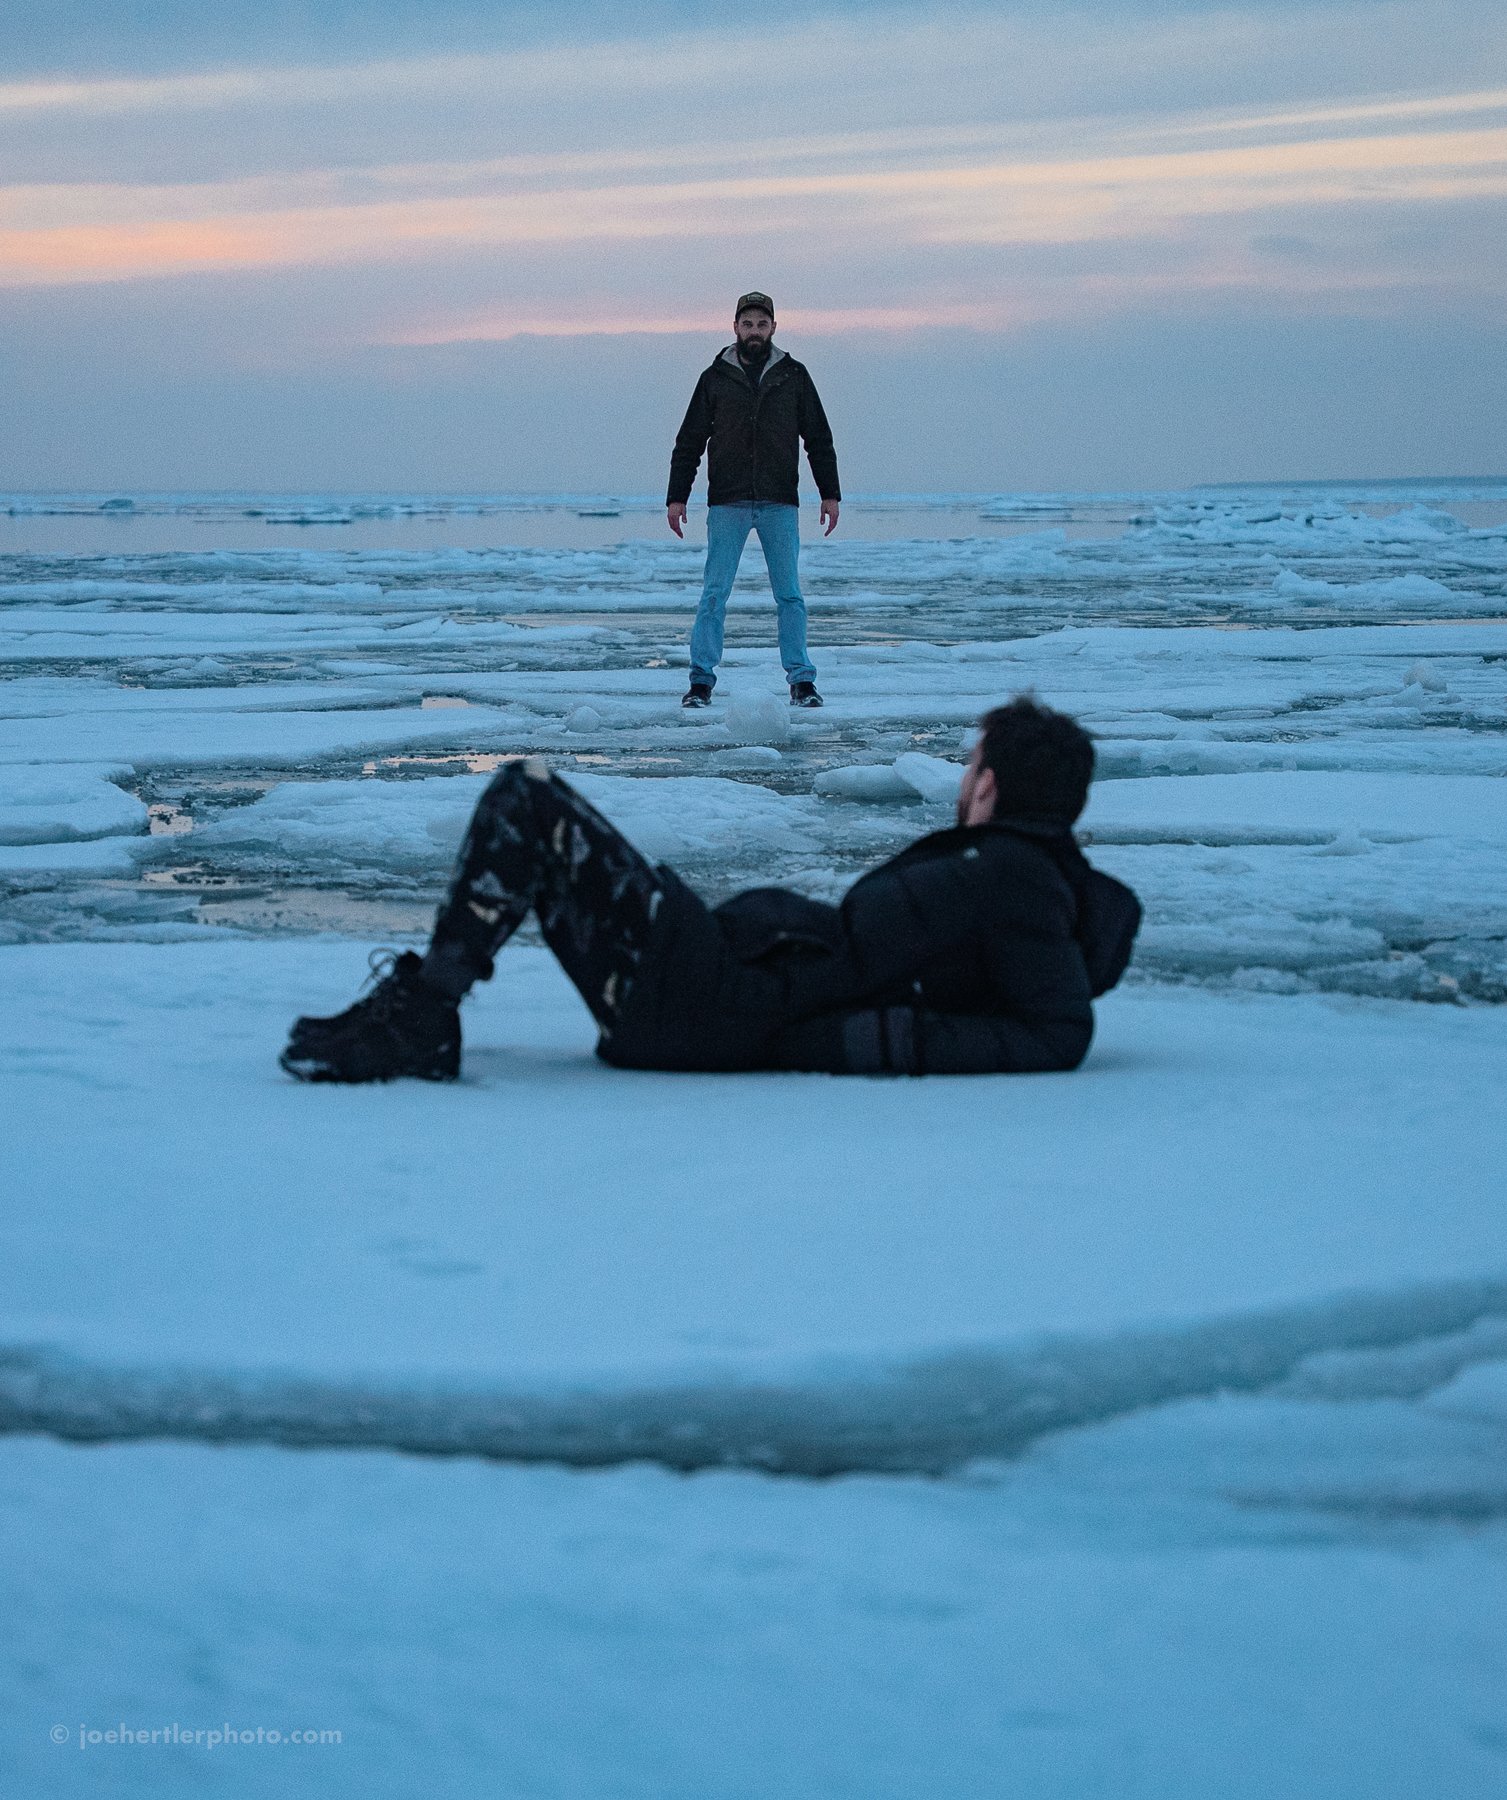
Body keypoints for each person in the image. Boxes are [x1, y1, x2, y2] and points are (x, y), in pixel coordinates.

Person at [280, 696, 1142, 1085]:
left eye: (971, 764)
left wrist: (854, 1044)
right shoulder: (1004, 874)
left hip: (709, 1004)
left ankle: (426, 1011)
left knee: (526, 798)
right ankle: (427, 1007)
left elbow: (1056, 1032)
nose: (962, 780)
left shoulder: (1018, 879)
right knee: (533, 808)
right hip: (715, 989)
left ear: (990, 787)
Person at [667, 291, 840, 710]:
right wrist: (677, 497)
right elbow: (689, 441)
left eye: (762, 324)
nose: (755, 332)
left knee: (790, 596)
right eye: (748, 324)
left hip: (779, 501)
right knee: (714, 594)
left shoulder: (793, 375)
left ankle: (801, 682)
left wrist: (829, 493)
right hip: (727, 502)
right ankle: (700, 683)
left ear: (774, 328)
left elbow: (818, 438)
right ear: (736, 328)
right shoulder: (715, 378)